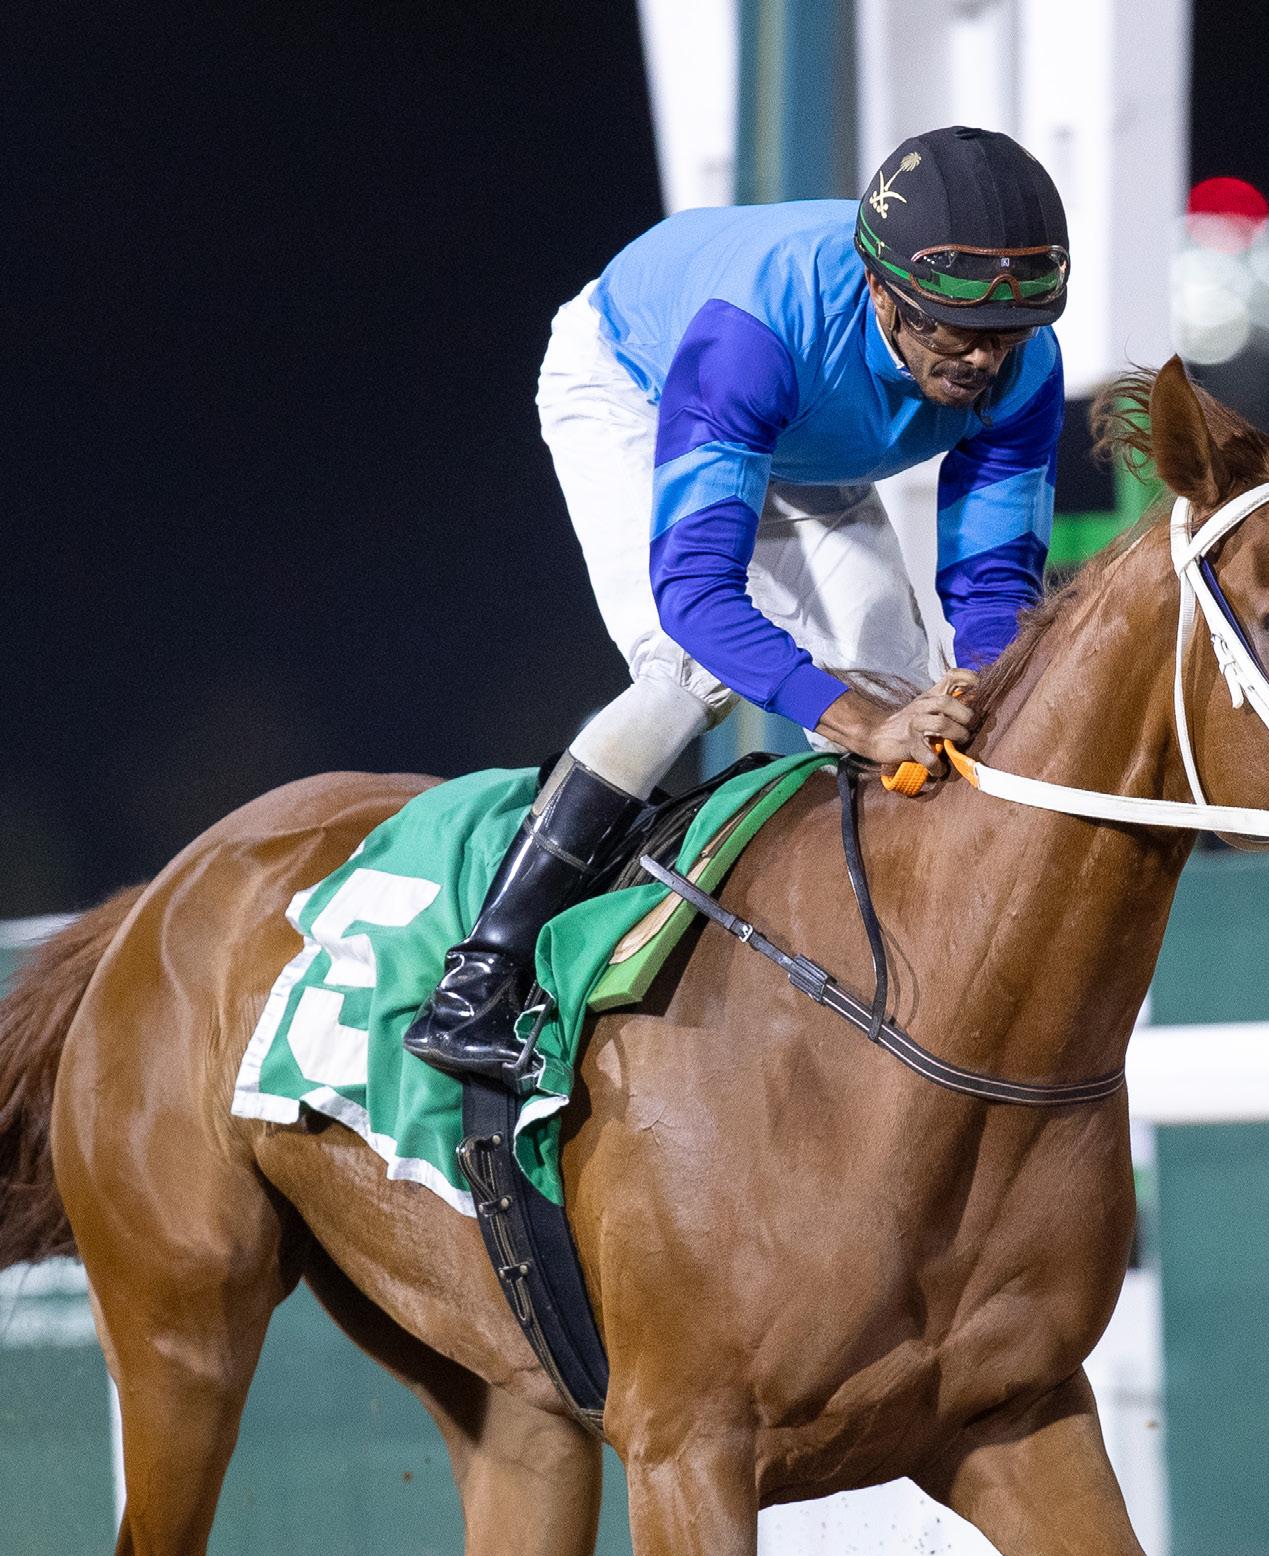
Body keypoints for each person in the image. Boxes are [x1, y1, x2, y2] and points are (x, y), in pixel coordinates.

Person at [407, 124, 1070, 1083]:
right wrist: (858, 724)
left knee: (914, 694)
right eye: (950, 328)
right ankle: (479, 978)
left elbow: (993, 585)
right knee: (689, 676)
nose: (980, 362)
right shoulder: (755, 332)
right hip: (641, 385)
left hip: (800, 433)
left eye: (1008, 334)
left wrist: (968, 684)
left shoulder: (1026, 367)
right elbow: (696, 595)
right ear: (881, 288)